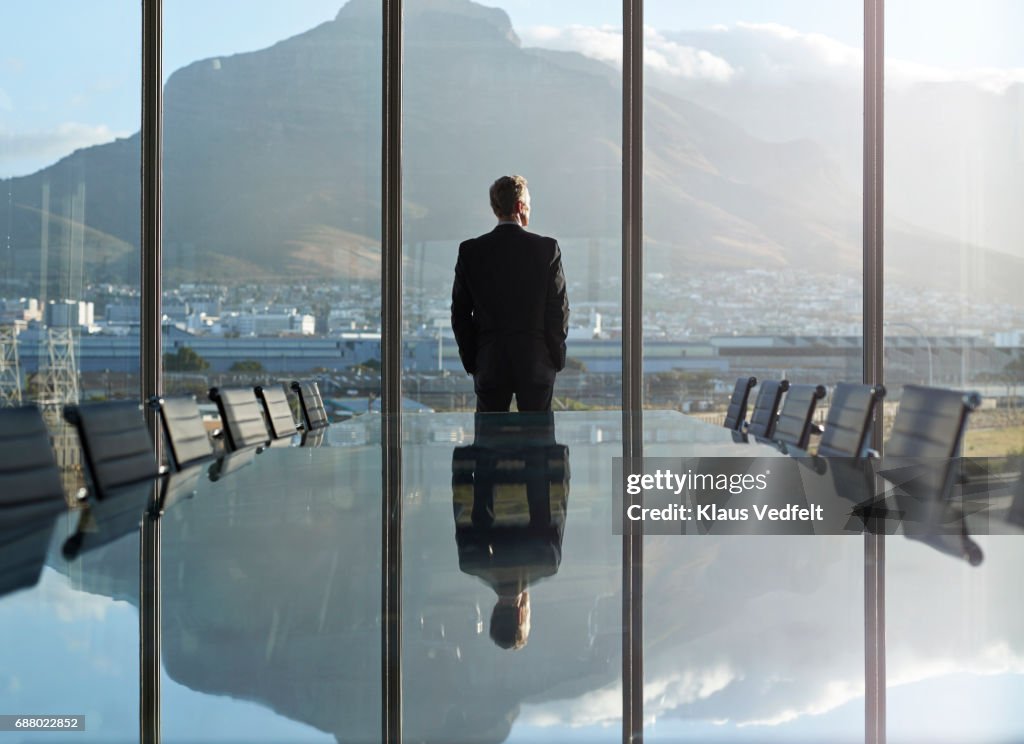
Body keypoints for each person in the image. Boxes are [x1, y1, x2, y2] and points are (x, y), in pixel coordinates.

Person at [451, 175, 570, 412]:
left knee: (489, 443)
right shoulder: (546, 250)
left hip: (490, 362)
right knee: (539, 443)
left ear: (496, 207)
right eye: (529, 203)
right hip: (536, 362)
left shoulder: (471, 251)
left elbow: (460, 314)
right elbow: (558, 311)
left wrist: (474, 361)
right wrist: (555, 359)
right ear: (520, 206)